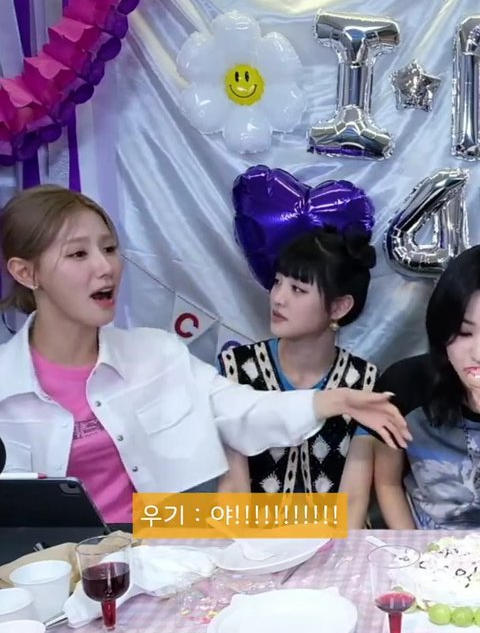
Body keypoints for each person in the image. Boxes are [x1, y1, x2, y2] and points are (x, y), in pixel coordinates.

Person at [0, 185, 409, 526]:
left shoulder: (156, 353)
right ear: (25, 273)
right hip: (47, 569)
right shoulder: (7, 380)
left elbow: (241, 411)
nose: (105, 266)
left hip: (159, 555)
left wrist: (333, 400)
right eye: (78, 254)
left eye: (109, 248)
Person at [217, 226, 378, 528]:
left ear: (339, 307)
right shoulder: (237, 369)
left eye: (298, 290)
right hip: (254, 539)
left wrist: (336, 552)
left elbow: (354, 500)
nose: (278, 298)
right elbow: (233, 488)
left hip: (336, 541)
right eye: (278, 282)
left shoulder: (363, 381)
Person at [374, 245, 480, 529]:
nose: (478, 354)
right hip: (433, 552)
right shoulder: (406, 386)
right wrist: (412, 548)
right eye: (464, 333)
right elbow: (386, 482)